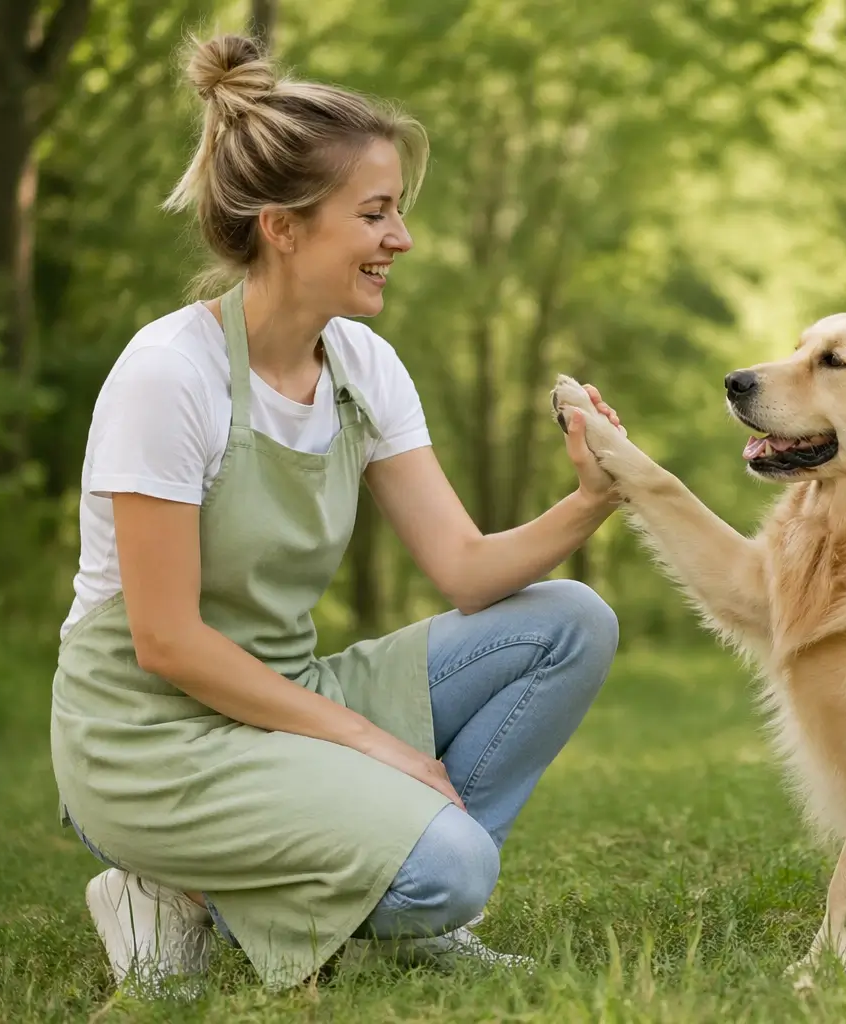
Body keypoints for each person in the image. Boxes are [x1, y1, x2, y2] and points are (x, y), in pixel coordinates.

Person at [49, 31, 626, 995]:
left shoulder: (362, 366)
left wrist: (593, 499)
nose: (401, 238)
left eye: (398, 211)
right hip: (150, 738)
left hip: (283, 694)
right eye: (374, 213)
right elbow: (167, 643)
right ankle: (183, 891)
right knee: (456, 867)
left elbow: (467, 568)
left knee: (573, 623)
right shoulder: (169, 375)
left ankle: (381, 908)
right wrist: (372, 744)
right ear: (283, 227)